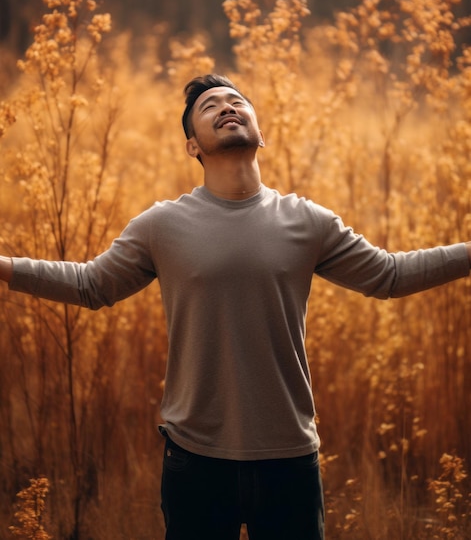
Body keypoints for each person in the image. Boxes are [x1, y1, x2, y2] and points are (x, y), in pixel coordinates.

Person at [1, 73, 470, 540]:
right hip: (195, 458)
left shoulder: (308, 221)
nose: (226, 107)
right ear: (192, 147)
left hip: (289, 457)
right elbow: (91, 285)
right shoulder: (161, 225)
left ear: (260, 132)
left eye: (236, 101)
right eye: (209, 106)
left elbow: (389, 275)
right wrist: (4, 267)